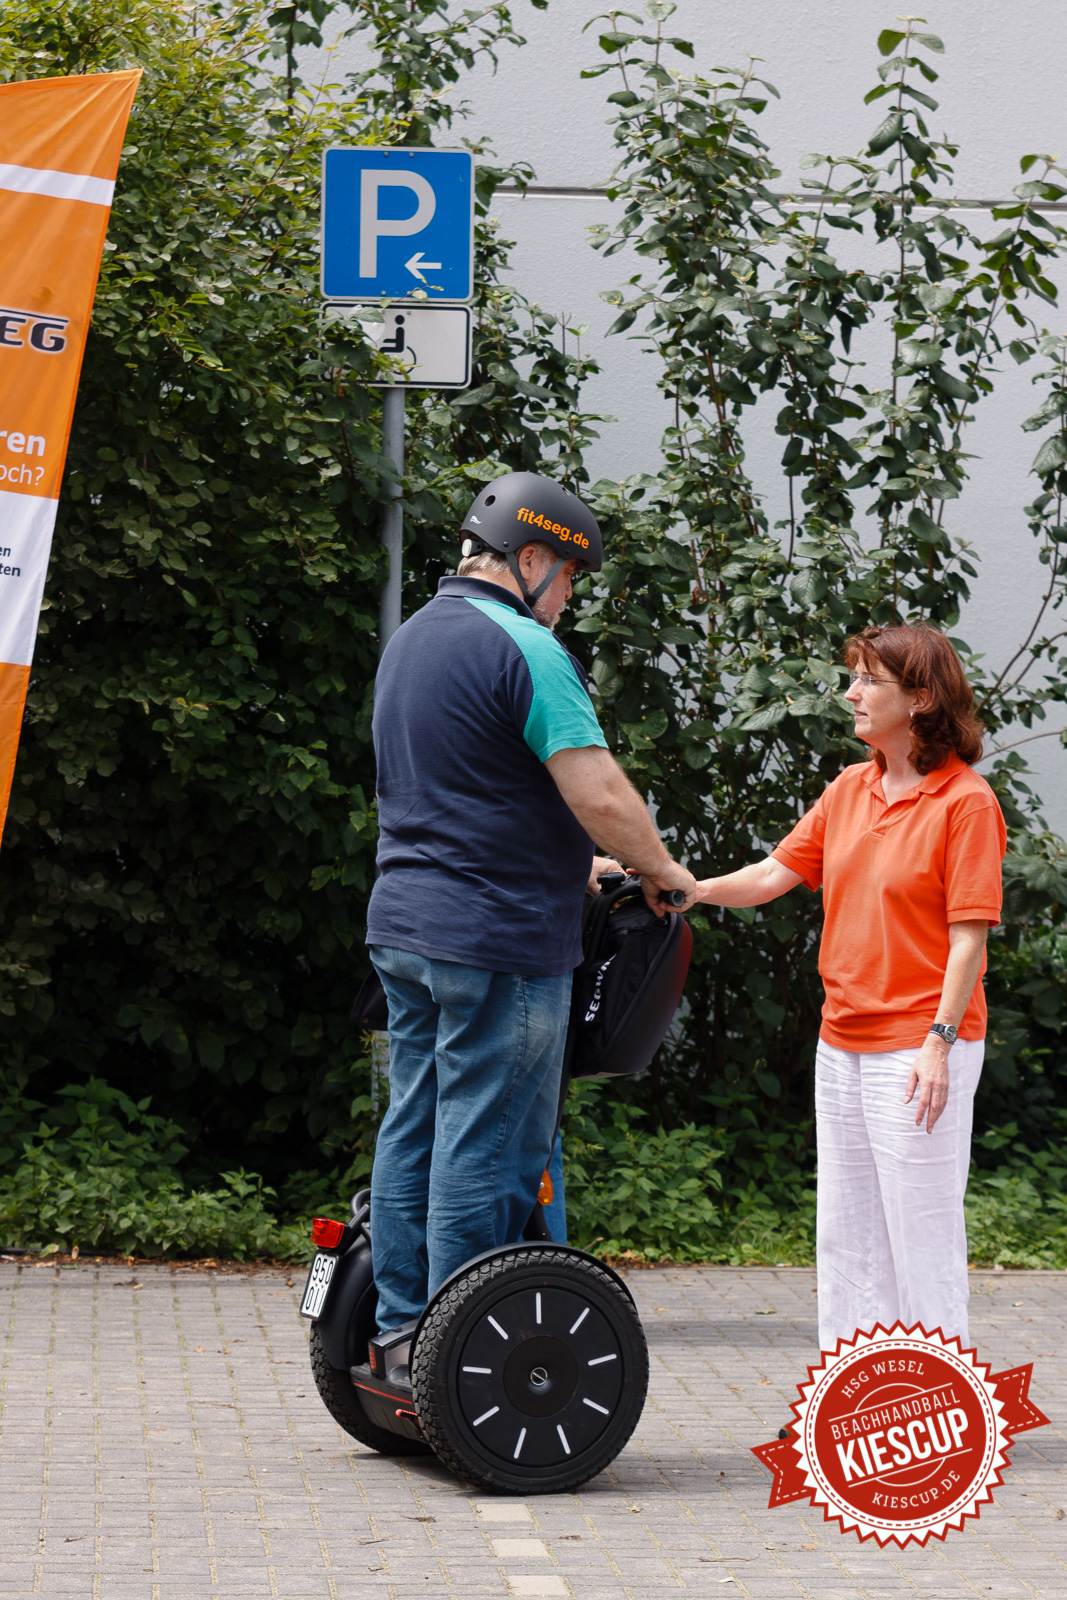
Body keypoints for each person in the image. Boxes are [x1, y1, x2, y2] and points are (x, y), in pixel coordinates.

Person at [366, 471, 696, 1334]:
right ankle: (459, 1341)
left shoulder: (412, 639)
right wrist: (658, 869)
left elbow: (462, 791)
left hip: (405, 927)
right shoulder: (525, 646)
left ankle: (404, 1327)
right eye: (570, 576)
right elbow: (598, 792)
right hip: (495, 942)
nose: (568, 598)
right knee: (488, 1142)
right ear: (534, 557)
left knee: (416, 1127)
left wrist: (572, 864)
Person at [694, 624, 1005, 1349]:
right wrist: (690, 887)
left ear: (921, 698)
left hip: (918, 1049)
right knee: (848, 1238)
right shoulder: (849, 788)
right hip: (842, 1043)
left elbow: (969, 939)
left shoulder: (965, 802)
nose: (851, 693)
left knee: (916, 1238)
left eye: (869, 680)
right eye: (854, 677)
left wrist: (937, 1042)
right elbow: (774, 875)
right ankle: (853, 1406)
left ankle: (936, 1410)